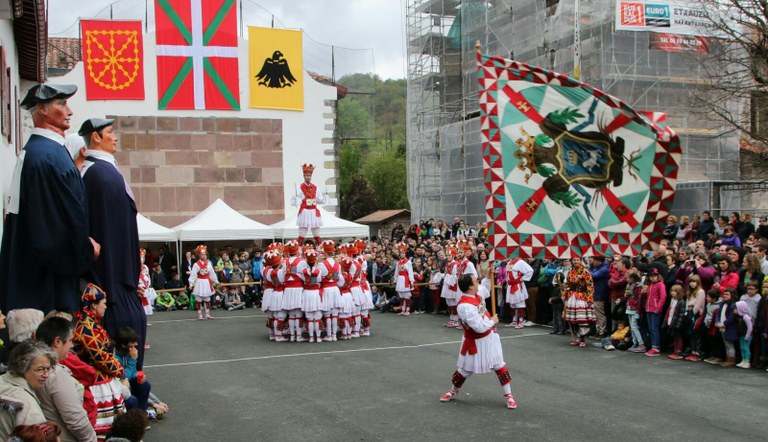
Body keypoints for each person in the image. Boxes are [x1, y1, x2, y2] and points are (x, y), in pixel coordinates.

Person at [0, 84, 100, 314]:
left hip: (44, 275)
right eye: (61, 103)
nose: (69, 111)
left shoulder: (44, 152)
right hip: (47, 284)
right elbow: (49, 227)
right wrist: (84, 250)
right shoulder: (45, 157)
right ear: (42, 109)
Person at [79, 118, 145, 368]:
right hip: (113, 279)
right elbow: (105, 228)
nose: (115, 137)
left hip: (121, 279)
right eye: (110, 132)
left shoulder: (104, 171)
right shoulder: (99, 174)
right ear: (96, 137)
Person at [439, 274, 518, 410]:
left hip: (489, 338)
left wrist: (489, 274)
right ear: (470, 286)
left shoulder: (476, 293)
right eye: (476, 281)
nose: (478, 283)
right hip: (474, 341)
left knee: (499, 366)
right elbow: (479, 327)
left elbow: (486, 287)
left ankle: (509, 395)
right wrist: (493, 321)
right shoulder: (464, 306)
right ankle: (453, 391)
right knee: (464, 370)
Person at [72, 284, 126, 438]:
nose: (106, 306)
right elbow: (100, 357)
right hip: (96, 383)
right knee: (103, 429)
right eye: (104, 303)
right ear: (94, 305)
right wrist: (119, 369)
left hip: (102, 379)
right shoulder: (87, 327)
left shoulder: (91, 323)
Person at [33, 317, 97, 442]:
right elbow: (76, 420)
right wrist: (91, 439)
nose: (72, 345)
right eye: (70, 341)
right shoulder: (56, 375)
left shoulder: (31, 367)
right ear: (57, 341)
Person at [0, 341, 55, 438]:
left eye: (48, 369)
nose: (46, 375)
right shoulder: (28, 406)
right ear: (22, 367)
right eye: (40, 369)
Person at [290, 164, 328, 246]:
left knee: (317, 232)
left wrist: (325, 198)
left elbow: (319, 199)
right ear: (304, 176)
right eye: (307, 175)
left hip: (313, 211)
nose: (309, 177)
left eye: (310, 175)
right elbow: (294, 201)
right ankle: (299, 251)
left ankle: (318, 250)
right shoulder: (299, 188)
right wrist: (297, 199)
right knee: (302, 232)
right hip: (305, 211)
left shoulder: (315, 187)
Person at [563, 258, 595, 347]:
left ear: (580, 261)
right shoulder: (570, 272)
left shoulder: (585, 272)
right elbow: (568, 284)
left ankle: (582, 338)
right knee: (574, 319)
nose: (576, 262)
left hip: (582, 296)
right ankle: (577, 336)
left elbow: (590, 285)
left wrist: (589, 298)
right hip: (572, 296)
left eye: (577, 260)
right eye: (574, 260)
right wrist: (565, 294)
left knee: (582, 318)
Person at [188, 245, 219, 320]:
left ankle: (207, 314)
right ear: (199, 255)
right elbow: (193, 275)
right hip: (199, 282)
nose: (203, 256)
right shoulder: (196, 264)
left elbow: (212, 273)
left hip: (207, 283)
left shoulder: (208, 263)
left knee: (207, 299)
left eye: (204, 254)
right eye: (202, 254)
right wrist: (191, 284)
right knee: (199, 300)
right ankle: (199, 314)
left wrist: (217, 282)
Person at [503, 257, 533, 329]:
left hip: (517, 285)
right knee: (513, 304)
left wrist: (523, 278)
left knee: (519, 304)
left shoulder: (520, 262)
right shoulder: (509, 262)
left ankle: (520, 322)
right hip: (510, 285)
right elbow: (508, 274)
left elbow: (530, 270)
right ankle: (514, 321)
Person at [393, 244, 415, 316]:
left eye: (403, 253)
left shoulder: (408, 262)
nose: (402, 254)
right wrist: (395, 280)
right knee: (401, 296)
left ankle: (408, 310)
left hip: (405, 279)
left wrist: (411, 280)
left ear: (405, 254)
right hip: (400, 279)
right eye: (401, 253)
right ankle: (403, 309)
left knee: (407, 295)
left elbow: (410, 272)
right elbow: (396, 272)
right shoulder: (398, 262)